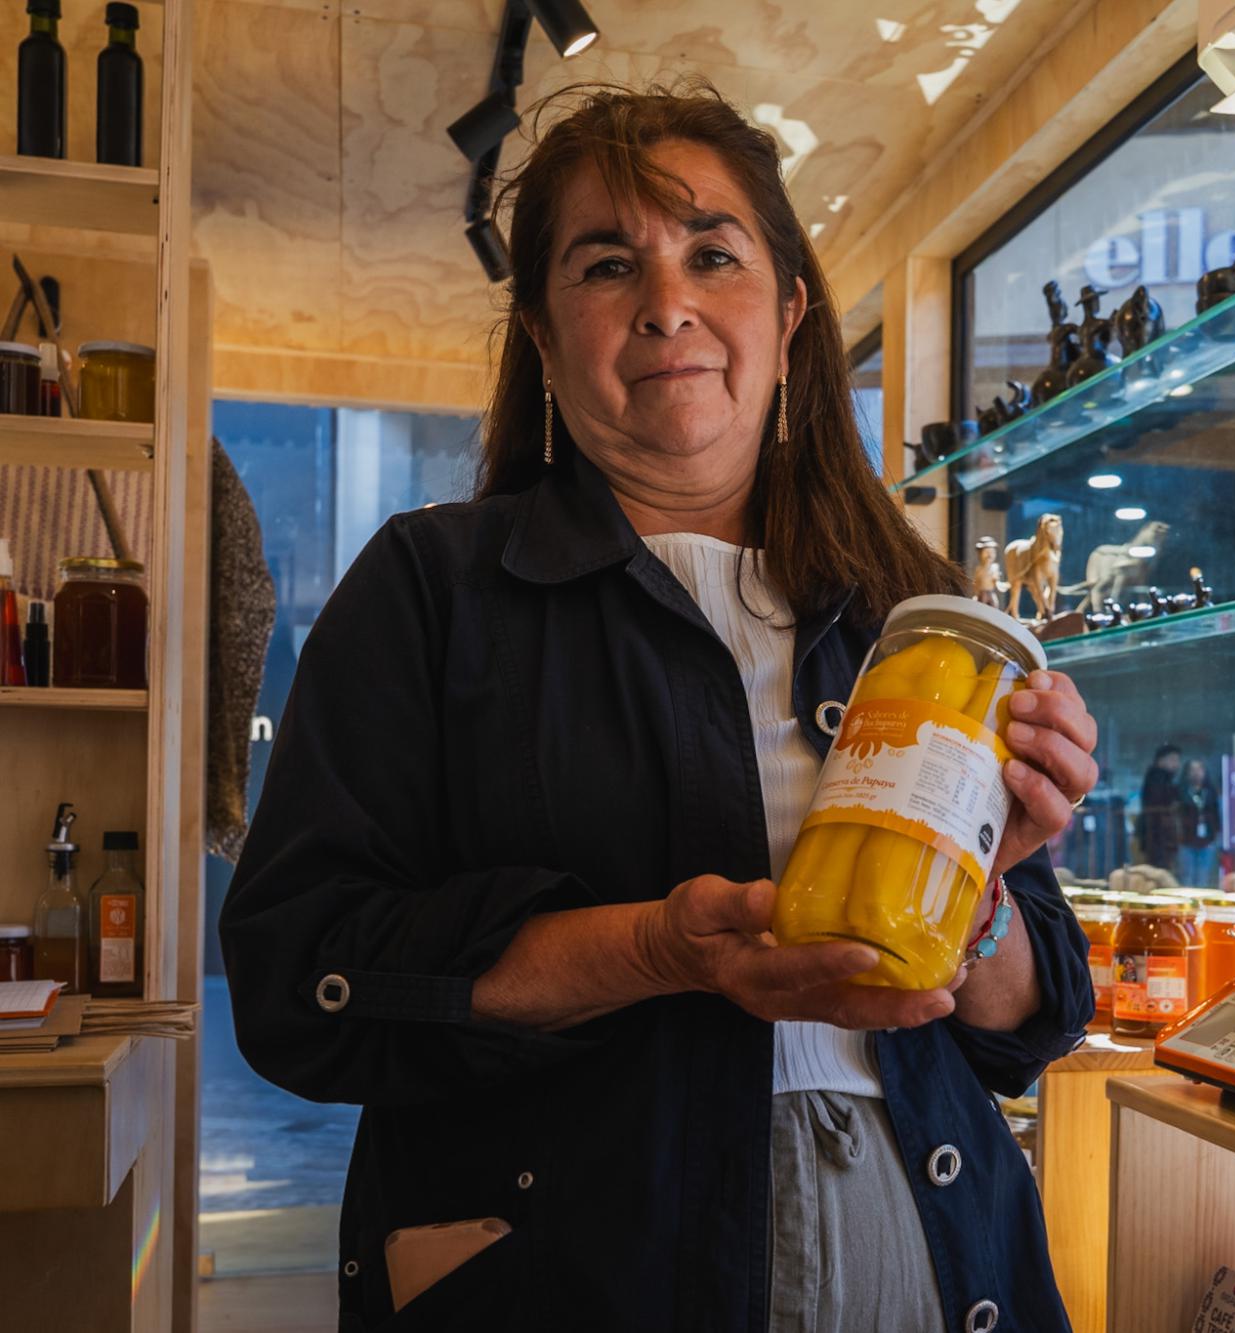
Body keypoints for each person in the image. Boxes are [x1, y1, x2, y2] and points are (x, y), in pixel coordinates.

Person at [217, 84, 1099, 1332]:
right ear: (540, 328)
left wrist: (980, 881)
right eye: (607, 263)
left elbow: (1030, 1016)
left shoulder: (916, 616)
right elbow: (294, 975)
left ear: (788, 312)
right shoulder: (430, 589)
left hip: (939, 1252)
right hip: (570, 1268)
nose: (666, 302)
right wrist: (648, 952)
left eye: (713, 254)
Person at [1176, 758, 1222, 888]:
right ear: (1187, 772)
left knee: (1203, 877)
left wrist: (1216, 835)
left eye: (1200, 769)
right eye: (1193, 769)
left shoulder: (1211, 792)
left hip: (1207, 840)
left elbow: (1216, 816)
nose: (1196, 773)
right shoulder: (1180, 791)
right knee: (1186, 876)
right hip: (1186, 839)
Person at [1139, 744, 1183, 872]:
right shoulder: (1156, 778)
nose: (1176, 764)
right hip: (1157, 834)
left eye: (1177, 760)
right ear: (1161, 760)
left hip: (1164, 834)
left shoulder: (1169, 779)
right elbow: (1160, 803)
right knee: (1158, 869)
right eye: (1173, 760)